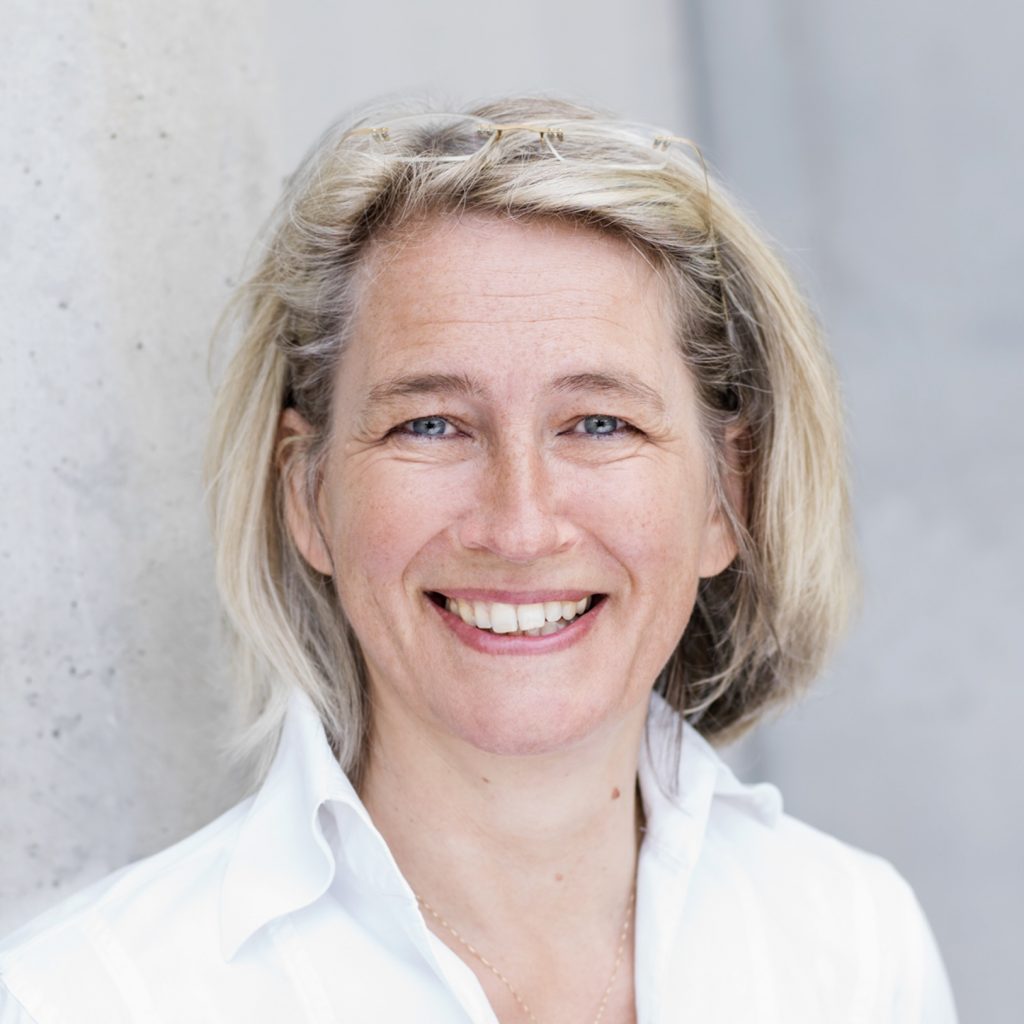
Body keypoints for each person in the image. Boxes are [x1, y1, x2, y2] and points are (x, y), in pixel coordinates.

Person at [0, 96, 957, 1023]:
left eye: (599, 423)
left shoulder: (856, 949)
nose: (520, 527)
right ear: (308, 494)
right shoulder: (86, 1002)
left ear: (725, 498)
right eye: (430, 424)